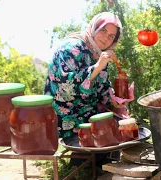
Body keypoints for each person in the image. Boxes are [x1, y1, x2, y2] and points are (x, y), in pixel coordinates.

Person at [44, 12, 126, 170]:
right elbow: (64, 88)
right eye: (103, 31)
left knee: (120, 125)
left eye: (111, 36)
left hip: (90, 112)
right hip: (68, 115)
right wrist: (96, 68)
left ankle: (106, 169)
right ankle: (83, 168)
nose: (106, 38)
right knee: (100, 134)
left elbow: (102, 87)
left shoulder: (100, 55)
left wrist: (114, 100)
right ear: (94, 28)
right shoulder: (70, 48)